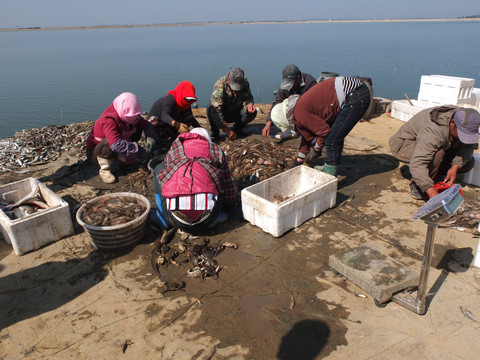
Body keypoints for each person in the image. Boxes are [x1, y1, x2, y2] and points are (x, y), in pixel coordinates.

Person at [151, 127, 238, 232]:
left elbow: (165, 176)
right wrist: (229, 204)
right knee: (217, 180)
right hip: (208, 217)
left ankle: (163, 218)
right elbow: (229, 189)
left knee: (158, 168)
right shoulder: (215, 149)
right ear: (207, 140)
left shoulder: (175, 147)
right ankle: (214, 218)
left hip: (175, 219)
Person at [389, 106, 480, 200]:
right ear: (452, 123)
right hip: (405, 146)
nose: (465, 136)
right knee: (438, 155)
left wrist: (454, 167)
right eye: (462, 133)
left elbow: (468, 148)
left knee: (468, 163)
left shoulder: (468, 120)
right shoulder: (433, 130)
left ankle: (435, 174)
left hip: (436, 144)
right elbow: (418, 163)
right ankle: (418, 185)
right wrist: (433, 194)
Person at [289, 76, 372, 176]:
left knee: (332, 139)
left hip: (356, 95)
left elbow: (324, 131)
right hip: (356, 90)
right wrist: (299, 159)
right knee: (336, 134)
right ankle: (329, 165)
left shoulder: (300, 114)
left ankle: (329, 174)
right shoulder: (302, 108)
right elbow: (308, 133)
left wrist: (317, 148)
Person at [85, 92, 160, 184]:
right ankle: (105, 170)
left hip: (118, 145)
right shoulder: (109, 119)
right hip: (96, 154)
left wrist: (150, 136)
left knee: (137, 127)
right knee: (110, 141)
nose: (135, 117)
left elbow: (147, 125)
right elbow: (116, 144)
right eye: (132, 115)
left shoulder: (130, 116)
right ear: (124, 111)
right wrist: (138, 150)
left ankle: (123, 159)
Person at [262, 64, 317, 140]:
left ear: (298, 77)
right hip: (293, 112)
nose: (289, 86)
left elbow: (316, 105)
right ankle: (290, 130)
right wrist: (268, 123)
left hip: (307, 112)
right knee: (276, 111)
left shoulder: (310, 83)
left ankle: (308, 130)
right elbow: (277, 101)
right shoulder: (286, 85)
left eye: (291, 83)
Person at [206, 67, 257, 141]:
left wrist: (249, 104)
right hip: (222, 114)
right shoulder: (220, 85)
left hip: (236, 112)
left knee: (253, 112)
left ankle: (237, 129)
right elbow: (216, 110)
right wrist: (227, 130)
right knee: (210, 106)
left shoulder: (245, 83)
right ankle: (215, 133)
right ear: (229, 79)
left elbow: (249, 97)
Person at [147, 81, 201, 145]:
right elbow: (164, 115)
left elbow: (191, 119)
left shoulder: (186, 105)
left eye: (191, 99)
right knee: (154, 120)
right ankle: (158, 143)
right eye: (187, 99)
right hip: (155, 128)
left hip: (167, 127)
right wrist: (176, 124)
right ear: (181, 94)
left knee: (188, 118)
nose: (188, 101)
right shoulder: (169, 101)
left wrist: (201, 131)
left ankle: (172, 140)